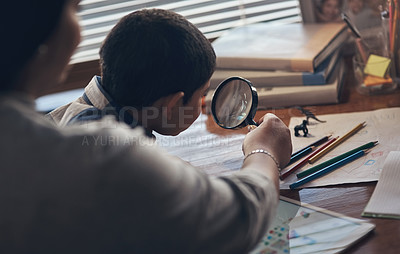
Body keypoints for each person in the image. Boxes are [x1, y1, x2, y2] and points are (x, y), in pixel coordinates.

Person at [0, 1, 292, 253]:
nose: (77, 32)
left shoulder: (71, 116)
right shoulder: (105, 157)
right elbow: (240, 218)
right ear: (172, 105)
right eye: (73, 8)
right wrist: (264, 150)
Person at [48, 9, 215, 137]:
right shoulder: (107, 148)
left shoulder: (81, 116)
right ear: (172, 106)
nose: (203, 104)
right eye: (202, 96)